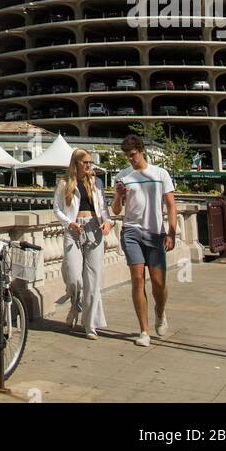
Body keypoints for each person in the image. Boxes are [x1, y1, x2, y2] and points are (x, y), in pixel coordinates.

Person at [110, 133, 177, 347]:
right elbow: (116, 210)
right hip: (131, 231)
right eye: (127, 156)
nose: (130, 159)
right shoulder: (122, 176)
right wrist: (119, 195)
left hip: (155, 232)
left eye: (133, 155)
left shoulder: (160, 174)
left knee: (158, 282)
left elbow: (170, 205)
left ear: (141, 151)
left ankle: (160, 311)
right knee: (138, 278)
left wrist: (171, 233)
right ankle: (144, 330)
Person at [52, 148, 112, 339]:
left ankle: (90, 324)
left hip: (94, 229)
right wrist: (69, 223)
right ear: (76, 163)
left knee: (93, 280)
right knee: (74, 278)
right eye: (85, 162)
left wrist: (108, 222)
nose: (89, 166)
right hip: (74, 230)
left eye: (90, 162)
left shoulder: (97, 183)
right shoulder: (64, 184)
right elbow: (57, 209)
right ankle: (75, 304)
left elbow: (103, 207)